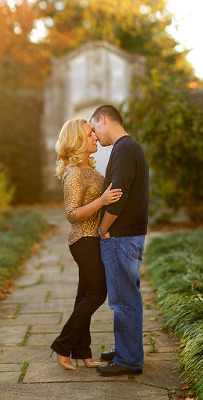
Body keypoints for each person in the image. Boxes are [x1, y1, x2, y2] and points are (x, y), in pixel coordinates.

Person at [50, 118, 123, 370]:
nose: (95, 137)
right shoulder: (73, 173)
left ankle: (82, 351)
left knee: (84, 296)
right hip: (83, 240)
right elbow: (72, 215)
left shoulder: (90, 170)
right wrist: (102, 201)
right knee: (97, 293)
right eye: (90, 134)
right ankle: (62, 345)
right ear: (78, 141)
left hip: (93, 239)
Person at [89, 104, 149, 377]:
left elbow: (119, 195)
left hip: (120, 236)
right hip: (128, 235)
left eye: (93, 128)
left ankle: (128, 360)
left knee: (123, 300)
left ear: (103, 120)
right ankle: (128, 350)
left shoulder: (124, 148)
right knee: (128, 297)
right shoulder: (128, 146)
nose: (94, 136)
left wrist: (103, 229)